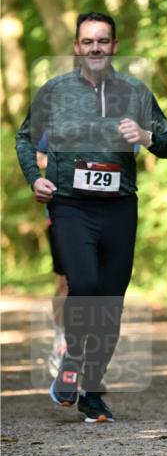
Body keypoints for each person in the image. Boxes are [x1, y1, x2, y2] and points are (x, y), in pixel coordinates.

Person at [16, 11, 167, 423]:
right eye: (87, 41)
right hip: (70, 205)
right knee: (84, 284)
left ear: (114, 45)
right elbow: (24, 138)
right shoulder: (55, 91)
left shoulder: (135, 91)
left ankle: (92, 391)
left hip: (119, 207)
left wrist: (146, 136)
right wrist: (35, 178)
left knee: (110, 302)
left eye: (102, 41)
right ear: (77, 47)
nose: (95, 48)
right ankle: (72, 357)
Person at [36, 136, 68, 378]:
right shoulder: (58, 122)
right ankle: (61, 340)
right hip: (61, 213)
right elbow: (40, 157)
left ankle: (90, 345)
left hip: (104, 214)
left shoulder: (117, 119)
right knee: (65, 281)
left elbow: (131, 154)